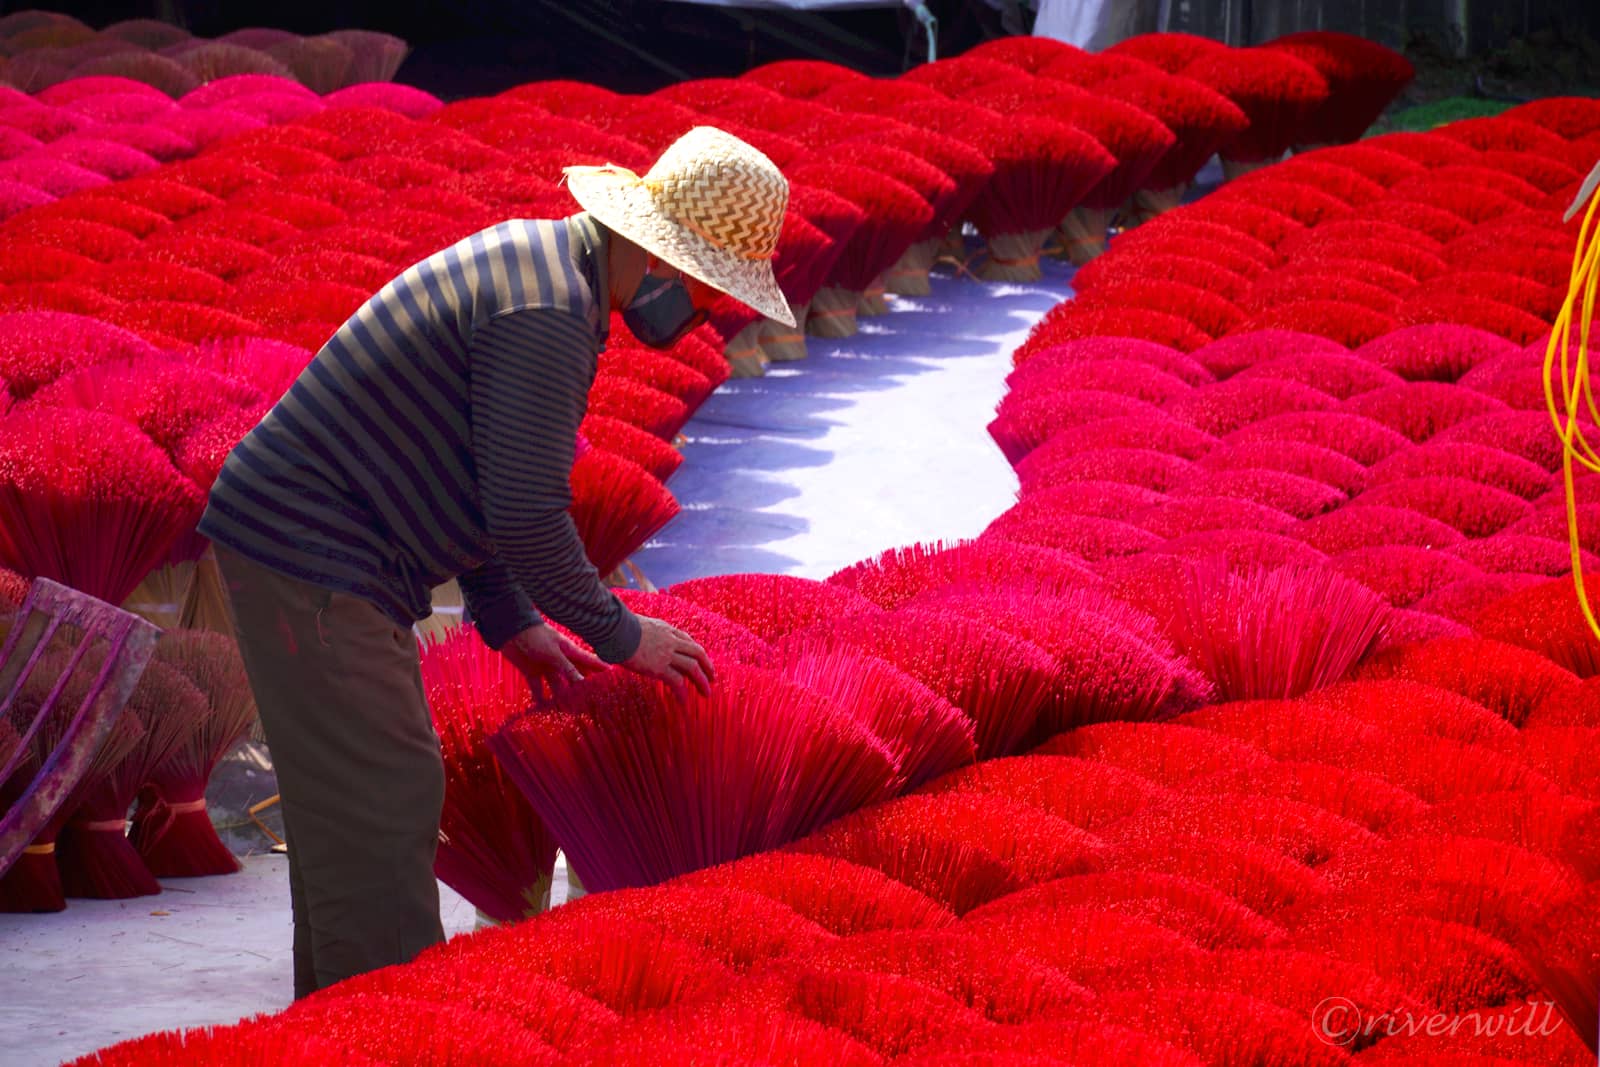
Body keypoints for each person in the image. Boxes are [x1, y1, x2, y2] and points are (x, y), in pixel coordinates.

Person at [197, 126, 797, 997]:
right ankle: (388, 1038)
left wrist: (514, 622)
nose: (707, 312)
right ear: (681, 260)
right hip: (312, 554)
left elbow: (478, 483)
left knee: (357, 809)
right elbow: (523, 513)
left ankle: (332, 1029)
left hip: (311, 549)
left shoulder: (551, 271)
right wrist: (624, 634)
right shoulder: (548, 312)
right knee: (384, 797)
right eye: (716, 290)